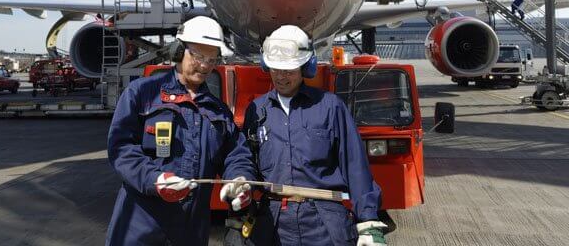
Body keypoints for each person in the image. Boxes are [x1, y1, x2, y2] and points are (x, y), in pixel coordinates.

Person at [106, 16, 256, 246]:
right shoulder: (142, 94)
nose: (205, 65)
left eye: (212, 58)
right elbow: (121, 148)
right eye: (197, 56)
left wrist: (239, 179)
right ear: (178, 51)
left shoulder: (218, 111)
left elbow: (236, 154)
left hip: (189, 230)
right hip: (140, 224)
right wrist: (154, 179)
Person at [241, 25, 387, 246]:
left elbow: (355, 165)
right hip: (272, 222)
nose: (281, 77)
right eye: (275, 69)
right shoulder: (256, 110)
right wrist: (239, 182)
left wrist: (368, 222)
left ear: (305, 67)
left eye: (288, 70)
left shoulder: (330, 107)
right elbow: (246, 161)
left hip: (324, 222)